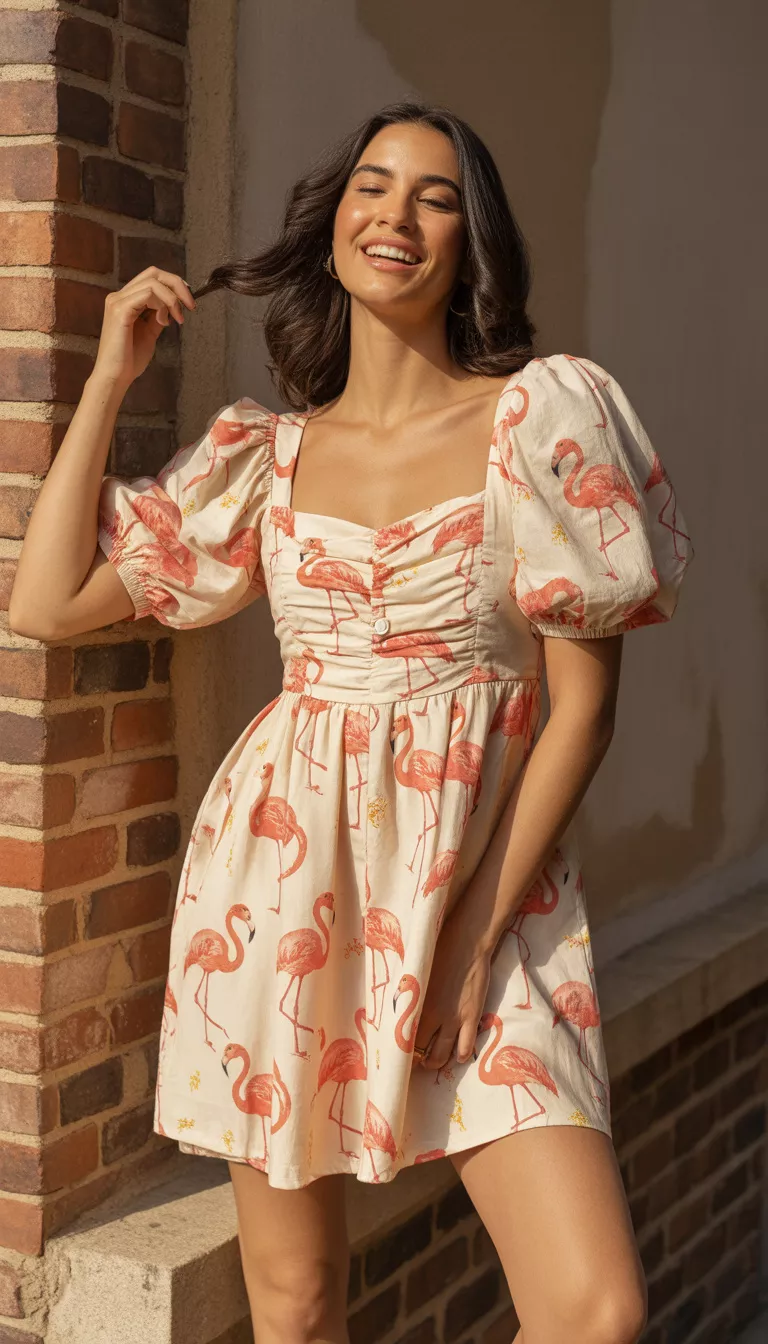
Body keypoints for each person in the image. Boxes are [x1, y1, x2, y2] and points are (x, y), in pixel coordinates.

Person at [10, 101, 693, 1344]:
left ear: (469, 241)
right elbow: (46, 601)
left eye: (435, 196)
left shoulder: (539, 418)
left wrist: (478, 935)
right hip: (281, 886)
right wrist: (110, 378)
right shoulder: (265, 459)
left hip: (489, 897)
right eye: (373, 186)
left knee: (593, 1308)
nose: (397, 213)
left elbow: (580, 711)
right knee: (295, 1300)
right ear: (333, 225)